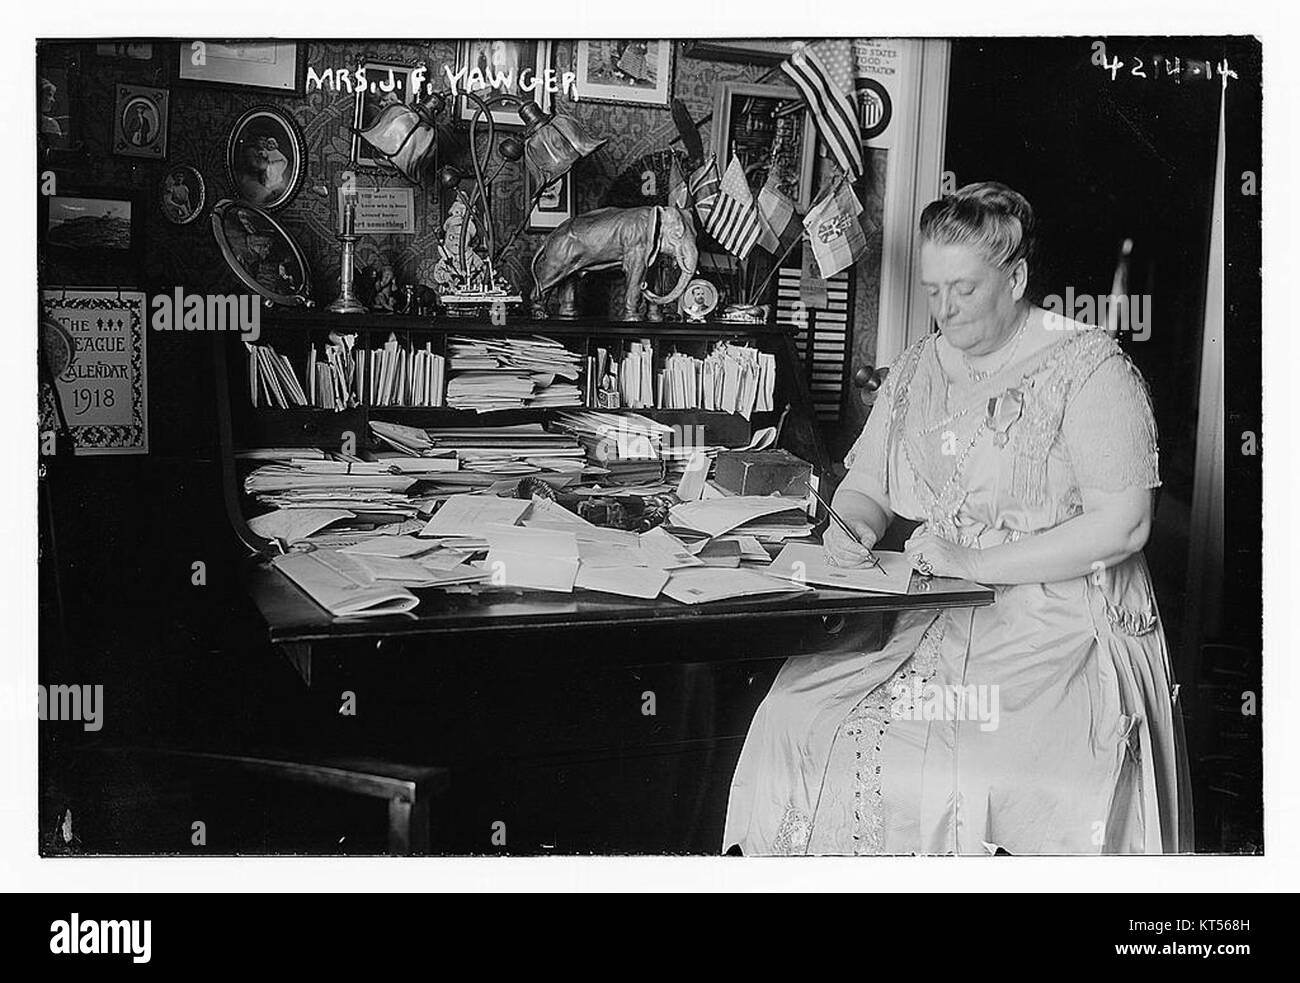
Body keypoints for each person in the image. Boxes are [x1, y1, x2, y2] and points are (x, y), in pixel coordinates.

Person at [723, 182, 1192, 855]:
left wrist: (975, 562)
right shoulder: (918, 366)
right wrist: (850, 523)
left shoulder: (1093, 369)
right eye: (933, 289)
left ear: (1018, 277)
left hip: (1056, 622)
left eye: (965, 289)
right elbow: (868, 485)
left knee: (961, 770)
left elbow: (1125, 524)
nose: (944, 310)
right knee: (792, 716)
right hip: (933, 604)